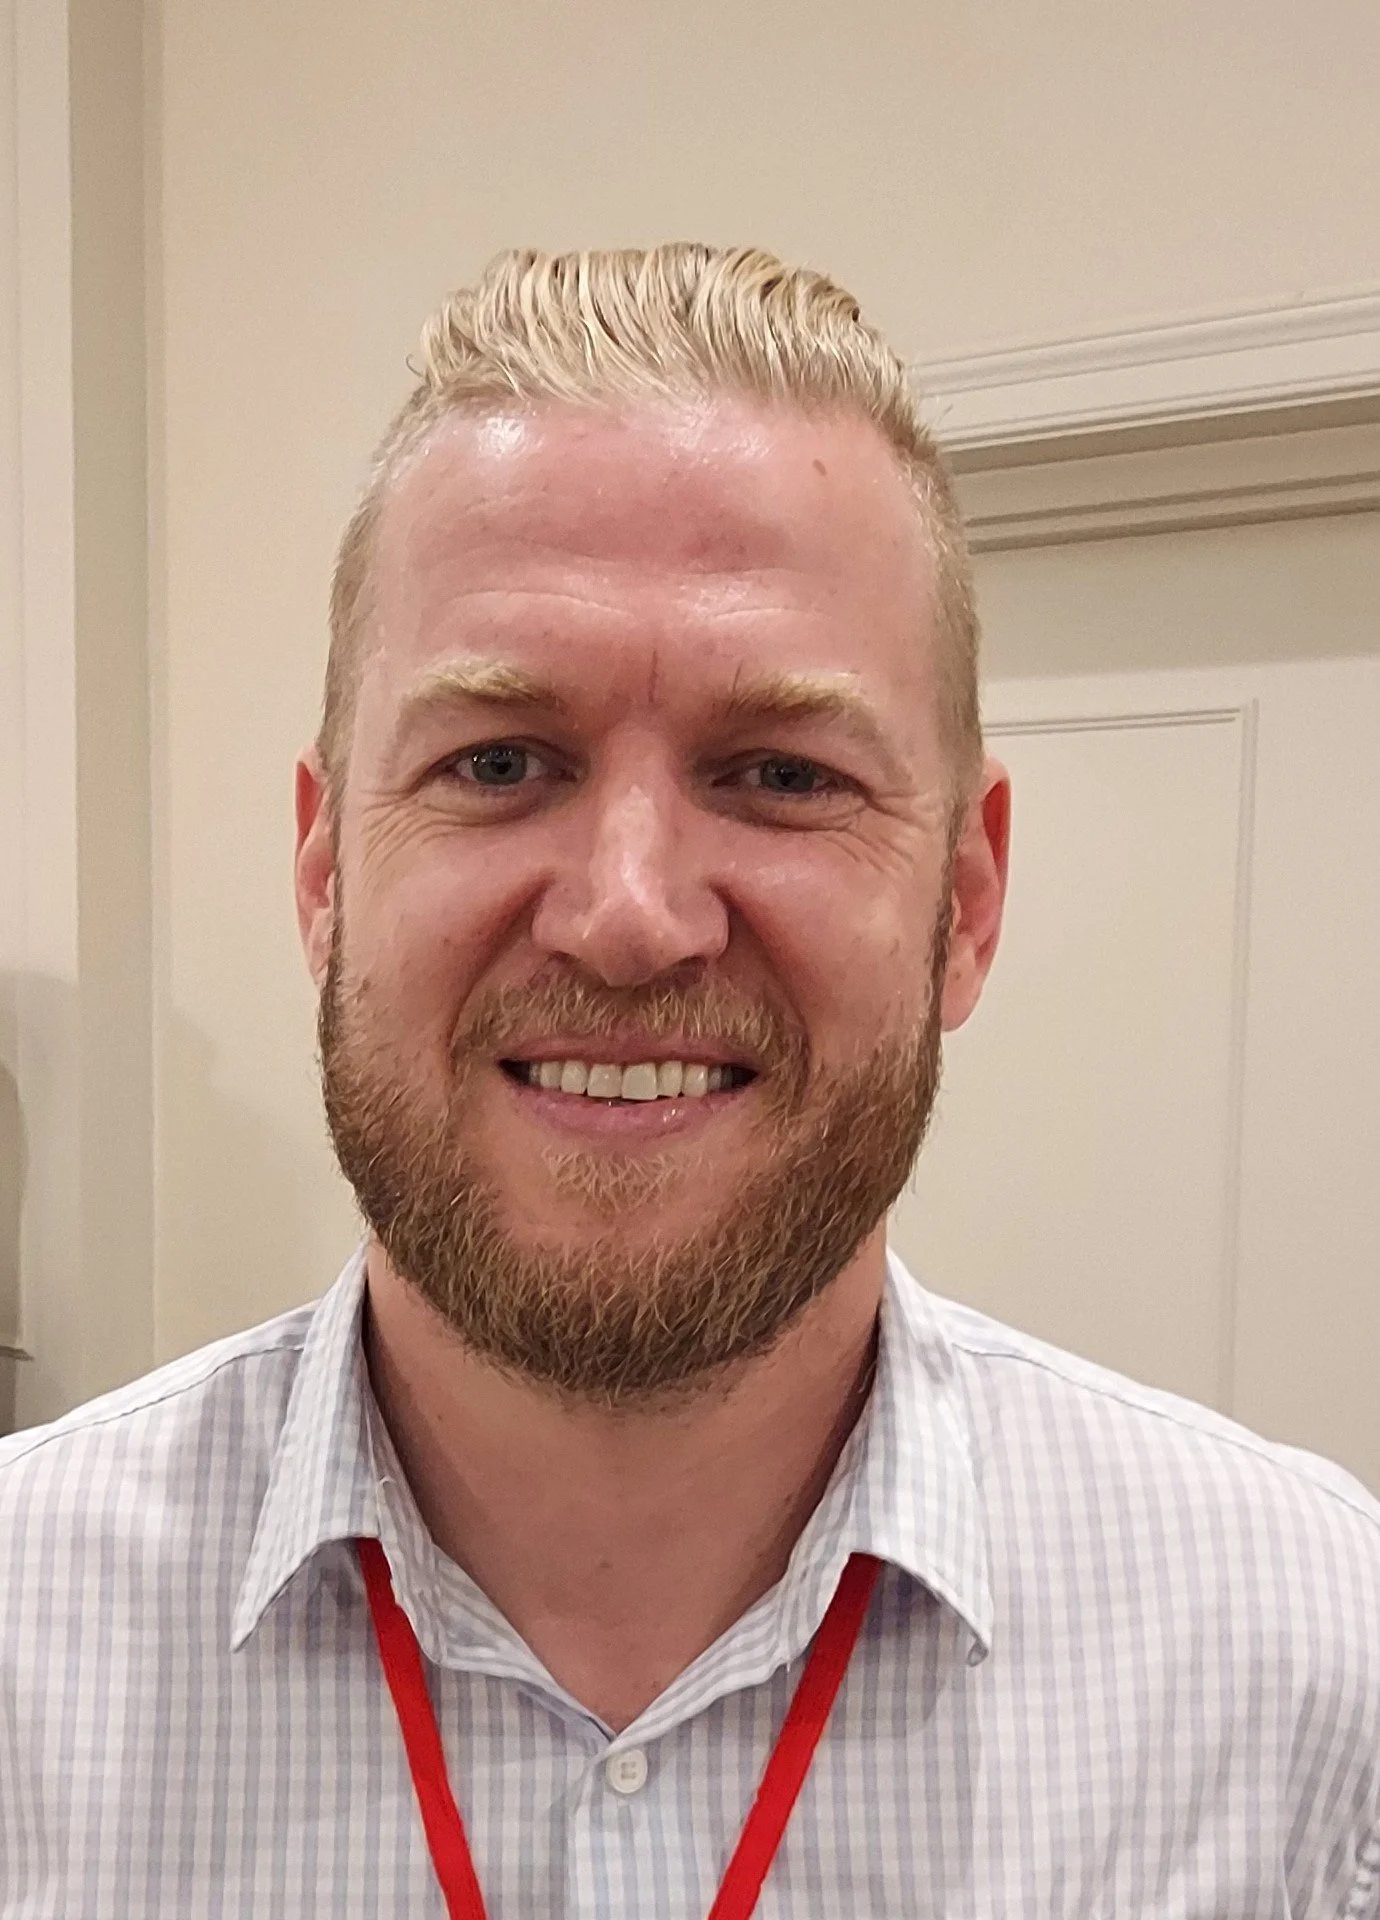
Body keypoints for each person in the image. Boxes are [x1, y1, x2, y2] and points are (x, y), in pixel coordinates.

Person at [1, 244, 1376, 1919]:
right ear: (321, 872)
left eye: (781, 773)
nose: (630, 915)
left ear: (968, 897)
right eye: (499, 762)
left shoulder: (1311, 1663)